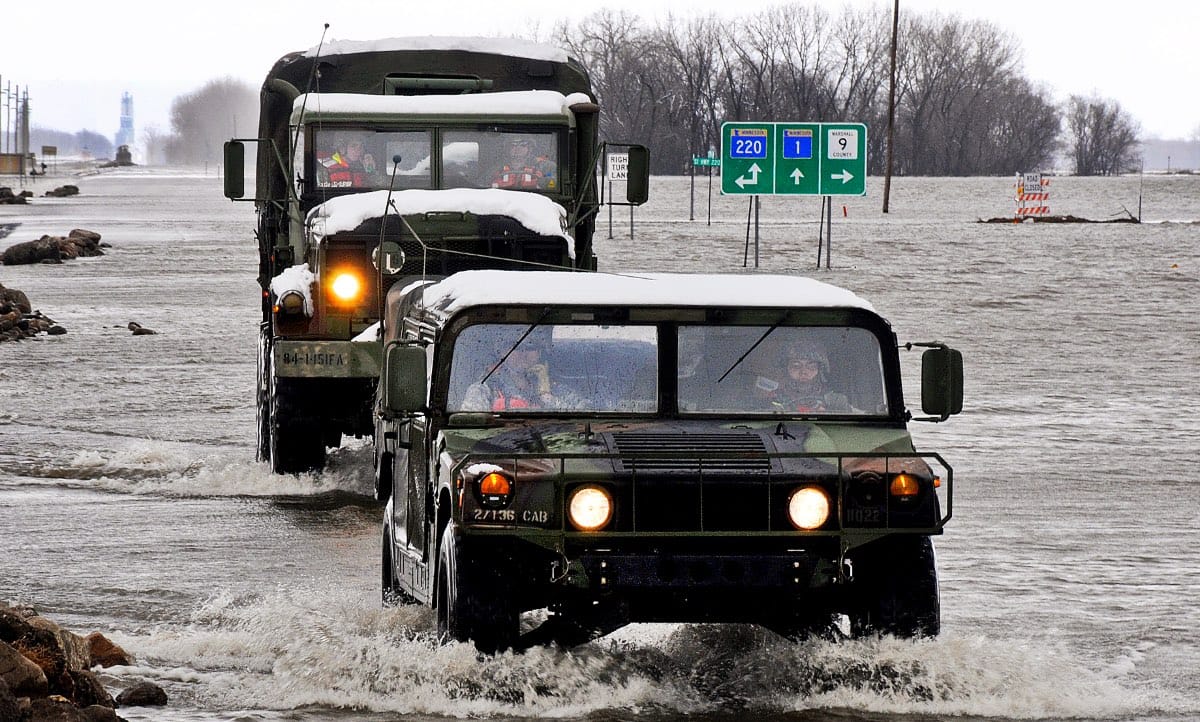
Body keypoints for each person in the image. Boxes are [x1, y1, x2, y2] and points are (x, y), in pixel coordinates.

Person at [462, 330, 559, 411]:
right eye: (515, 346)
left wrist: (545, 391)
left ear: (539, 353)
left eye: (530, 346)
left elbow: (567, 423)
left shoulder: (556, 389)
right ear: (503, 353)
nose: (523, 353)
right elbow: (470, 427)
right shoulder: (483, 390)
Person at [756, 339, 851, 413]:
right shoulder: (773, 399)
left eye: (811, 366)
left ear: (820, 371)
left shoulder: (837, 402)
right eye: (796, 366)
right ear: (786, 370)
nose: (804, 372)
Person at [490, 136, 556, 190]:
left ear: (530, 148)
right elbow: (483, 184)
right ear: (507, 149)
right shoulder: (497, 168)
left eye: (523, 145)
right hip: (505, 202)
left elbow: (554, 181)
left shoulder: (546, 166)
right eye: (513, 145)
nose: (518, 148)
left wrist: (545, 180)